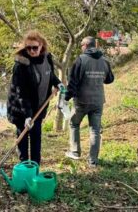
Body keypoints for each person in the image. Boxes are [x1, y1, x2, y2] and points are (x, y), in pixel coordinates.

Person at [7, 30, 63, 165]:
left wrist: (57, 83)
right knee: (23, 139)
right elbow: (21, 92)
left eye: (35, 47)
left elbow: (50, 75)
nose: (32, 51)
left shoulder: (47, 58)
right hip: (21, 109)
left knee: (36, 137)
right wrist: (27, 115)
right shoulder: (21, 65)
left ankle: (35, 167)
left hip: (39, 107)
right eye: (28, 48)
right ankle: (24, 167)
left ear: (41, 46)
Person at [64, 36, 114, 168]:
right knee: (95, 130)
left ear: (85, 45)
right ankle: (93, 161)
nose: (81, 47)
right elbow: (109, 79)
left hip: (82, 101)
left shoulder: (81, 60)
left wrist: (66, 97)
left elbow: (73, 82)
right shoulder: (104, 60)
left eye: (81, 45)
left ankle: (75, 151)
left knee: (74, 123)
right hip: (98, 101)